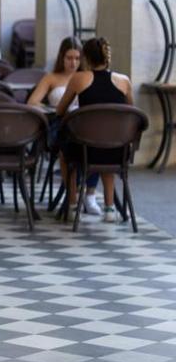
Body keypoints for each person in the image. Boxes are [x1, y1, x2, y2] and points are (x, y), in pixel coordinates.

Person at [56, 37, 134, 223]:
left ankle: (73, 204)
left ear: (86, 59)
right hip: (118, 150)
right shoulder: (124, 81)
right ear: (107, 57)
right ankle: (109, 208)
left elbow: (60, 110)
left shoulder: (79, 79)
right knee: (108, 144)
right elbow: (131, 112)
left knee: (65, 151)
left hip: (86, 150)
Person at [27, 37, 104, 215]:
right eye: (69, 58)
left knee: (98, 143)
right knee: (69, 149)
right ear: (62, 57)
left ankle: (90, 194)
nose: (73, 62)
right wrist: (54, 108)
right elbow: (32, 102)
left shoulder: (87, 77)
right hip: (60, 124)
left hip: (86, 124)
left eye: (77, 58)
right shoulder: (51, 78)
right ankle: (72, 197)